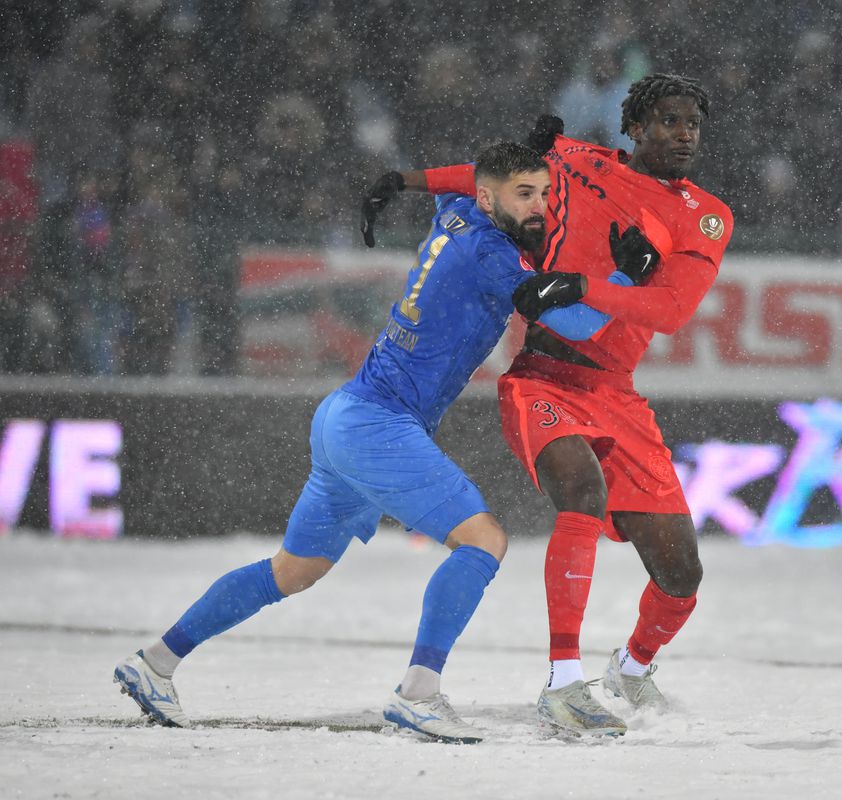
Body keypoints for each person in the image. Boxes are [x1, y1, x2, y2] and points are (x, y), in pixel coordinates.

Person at [114, 142, 658, 743]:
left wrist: (409, 178)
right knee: (484, 541)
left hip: (345, 414)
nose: (541, 206)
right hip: (379, 426)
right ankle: (418, 695)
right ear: (488, 196)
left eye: (545, 193)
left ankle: (155, 664)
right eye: (525, 194)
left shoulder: (455, 210)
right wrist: (626, 276)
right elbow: (579, 325)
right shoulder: (494, 256)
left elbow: (457, 178)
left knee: (292, 570)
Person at [361, 74, 734, 736]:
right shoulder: (576, 160)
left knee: (681, 573)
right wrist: (407, 180)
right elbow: (497, 181)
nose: (684, 135)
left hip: (616, 393)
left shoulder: (707, 215)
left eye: (693, 125)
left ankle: (634, 665)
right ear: (637, 127)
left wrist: (589, 282)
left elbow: (671, 310)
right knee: (580, 496)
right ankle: (564, 681)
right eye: (669, 122)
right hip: (542, 375)